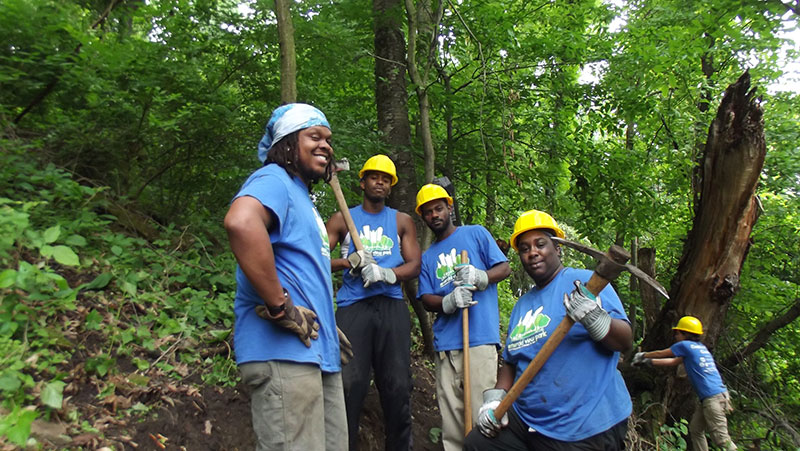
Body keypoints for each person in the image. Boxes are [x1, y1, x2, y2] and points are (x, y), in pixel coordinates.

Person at [224, 103, 350, 451]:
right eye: (314, 136)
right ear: (287, 143)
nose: (326, 145)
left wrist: (324, 321)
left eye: (328, 139)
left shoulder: (302, 199)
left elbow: (301, 270)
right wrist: (280, 307)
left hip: (314, 356)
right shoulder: (272, 180)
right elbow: (241, 223)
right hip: (283, 356)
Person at [465, 209, 633, 450]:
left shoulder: (586, 283)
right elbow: (511, 363)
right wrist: (494, 401)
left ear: (558, 248)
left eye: (540, 244)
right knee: (477, 444)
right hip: (529, 421)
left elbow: (625, 341)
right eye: (524, 248)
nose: (532, 252)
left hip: (583, 425)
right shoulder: (522, 306)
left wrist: (596, 318)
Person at [325, 154, 421, 451]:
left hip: (391, 306)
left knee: (397, 386)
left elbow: (415, 264)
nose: (379, 182)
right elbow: (315, 260)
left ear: (390, 187)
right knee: (348, 384)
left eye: (385, 179)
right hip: (353, 307)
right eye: (374, 177)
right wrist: (346, 261)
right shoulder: (342, 219)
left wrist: (387, 274)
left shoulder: (401, 220)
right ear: (362, 181)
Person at [415, 183, 511, 451]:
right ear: (423, 218)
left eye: (439, 208)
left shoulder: (476, 234)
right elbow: (425, 298)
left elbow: (504, 268)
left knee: (484, 420)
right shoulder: (427, 257)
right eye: (428, 212)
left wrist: (481, 277)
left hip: (479, 341)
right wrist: (448, 301)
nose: (435, 215)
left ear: (449, 208)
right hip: (446, 347)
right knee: (452, 424)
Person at [632, 316, 737, 451]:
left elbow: (662, 353)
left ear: (685, 333)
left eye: (677, 333)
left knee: (722, 440)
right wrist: (647, 362)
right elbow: (673, 362)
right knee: (696, 430)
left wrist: (644, 355)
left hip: (713, 399)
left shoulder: (685, 345)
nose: (675, 336)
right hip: (714, 397)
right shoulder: (699, 348)